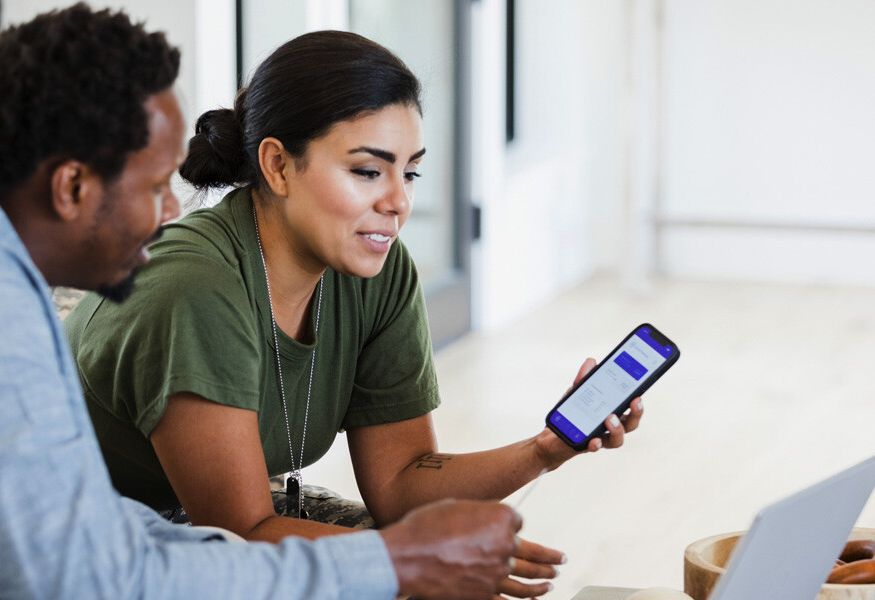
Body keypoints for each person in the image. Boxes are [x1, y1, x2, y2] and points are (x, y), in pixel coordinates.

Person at [0, 6, 548, 599]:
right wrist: (393, 561)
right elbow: (94, 576)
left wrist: (391, 548)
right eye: (153, 184)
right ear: (71, 187)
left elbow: (87, 529)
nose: (171, 209)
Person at [66, 29, 635, 599]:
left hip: (216, 521)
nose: (398, 202)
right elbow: (238, 535)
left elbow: (399, 484)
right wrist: (420, 560)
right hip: (82, 534)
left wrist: (544, 450)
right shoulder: (195, 290)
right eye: (368, 171)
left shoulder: (375, 270)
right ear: (278, 166)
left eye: (408, 172)